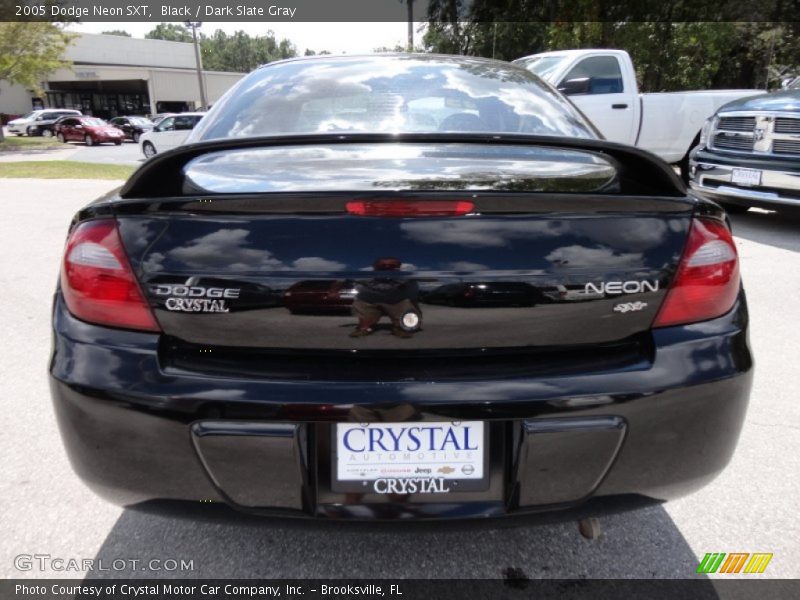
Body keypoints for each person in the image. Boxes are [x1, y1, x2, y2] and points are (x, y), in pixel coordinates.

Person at [348, 257, 421, 339]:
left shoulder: (407, 274)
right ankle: (366, 328)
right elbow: (342, 279)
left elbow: (430, 277)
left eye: (392, 266)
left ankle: (400, 328)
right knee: (361, 304)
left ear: (399, 267)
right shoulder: (364, 273)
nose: (387, 267)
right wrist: (334, 291)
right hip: (369, 300)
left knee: (408, 317)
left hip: (397, 301)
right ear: (374, 267)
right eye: (382, 266)